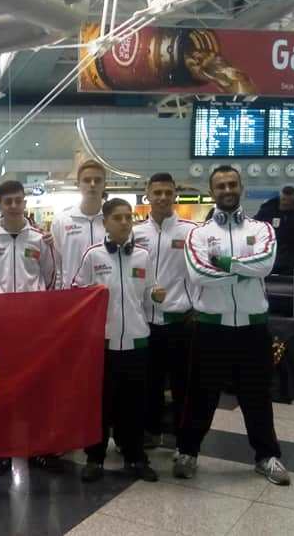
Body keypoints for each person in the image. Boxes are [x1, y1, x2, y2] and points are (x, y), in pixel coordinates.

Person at [177, 165, 290, 486]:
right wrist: (245, 269)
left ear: (241, 187)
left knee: (257, 396)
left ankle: (267, 456)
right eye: (220, 186)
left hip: (253, 328)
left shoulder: (262, 229)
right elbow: (199, 274)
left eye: (232, 184)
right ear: (211, 192)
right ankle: (187, 451)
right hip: (212, 327)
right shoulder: (198, 234)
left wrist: (225, 263)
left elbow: (266, 264)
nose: (227, 190)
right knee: (201, 394)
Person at [71, 198, 162, 483]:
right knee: (101, 403)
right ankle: (94, 457)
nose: (124, 222)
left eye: (128, 217)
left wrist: (157, 295)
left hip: (137, 343)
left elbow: (148, 293)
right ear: (105, 222)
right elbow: (77, 292)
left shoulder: (143, 257)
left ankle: (135, 456)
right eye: (118, 218)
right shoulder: (93, 256)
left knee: (134, 404)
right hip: (104, 345)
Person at [0, 179, 57, 476]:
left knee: (35, 388)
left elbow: (50, 278)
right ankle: (0, 452)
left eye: (17, 200)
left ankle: (36, 447)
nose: (13, 205)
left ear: (25, 202)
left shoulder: (40, 240)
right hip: (0, 325)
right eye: (7, 201)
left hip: (33, 326)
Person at [133, 173, 197, 448]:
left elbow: (199, 273)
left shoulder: (191, 231)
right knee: (150, 384)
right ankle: (151, 431)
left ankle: (184, 438)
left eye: (167, 193)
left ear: (175, 195)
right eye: (156, 192)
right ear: (147, 194)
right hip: (146, 322)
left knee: (183, 385)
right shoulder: (135, 233)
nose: (161, 197)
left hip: (180, 320)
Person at [51, 159, 108, 290]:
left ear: (105, 184)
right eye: (87, 180)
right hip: (73, 297)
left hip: (108, 296)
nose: (92, 184)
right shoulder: (62, 220)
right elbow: (57, 265)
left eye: (97, 180)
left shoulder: (114, 219)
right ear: (78, 184)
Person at [254, 186, 294, 275]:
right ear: (280, 198)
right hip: (272, 259)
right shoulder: (267, 210)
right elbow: (254, 230)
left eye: (289, 203)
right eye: (283, 201)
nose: (285, 204)